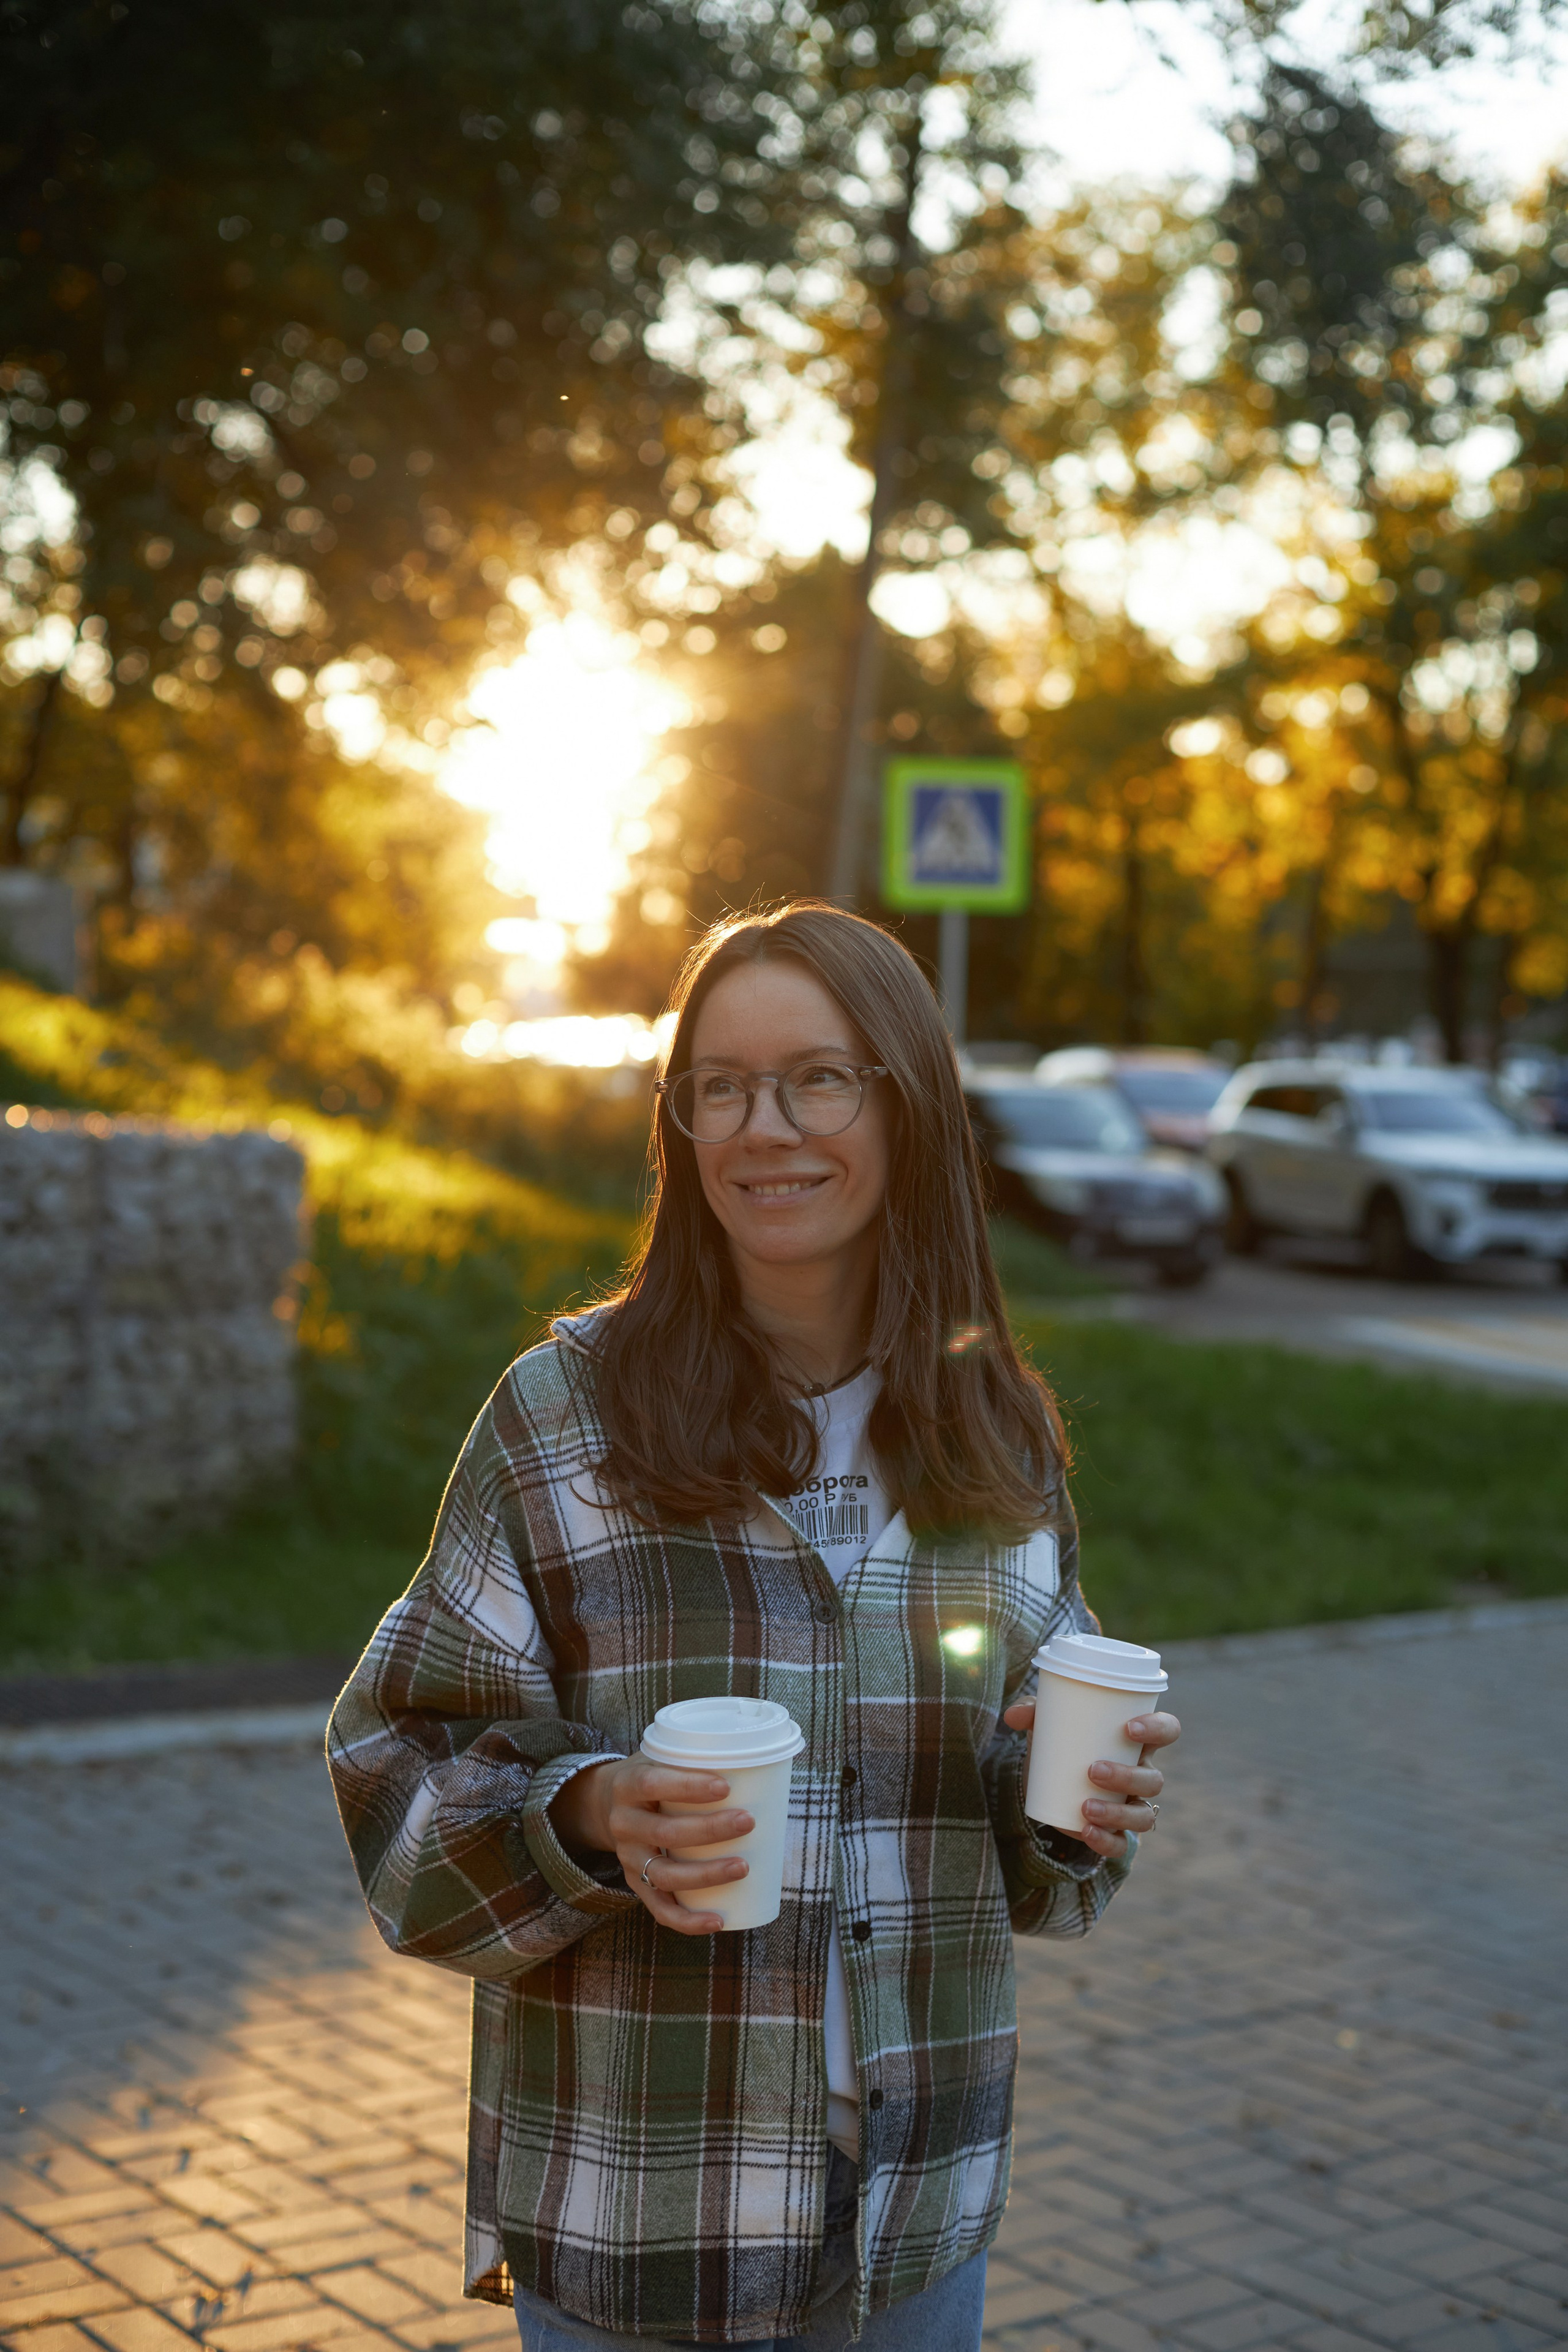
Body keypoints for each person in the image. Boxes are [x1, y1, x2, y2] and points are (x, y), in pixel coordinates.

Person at [328, 902, 1179, 2351]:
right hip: (642, 2207)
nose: (761, 1125)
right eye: (717, 1086)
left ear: (905, 1104)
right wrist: (588, 1813)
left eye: (816, 1078)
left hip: (916, 2214)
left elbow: (1039, 1855)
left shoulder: (998, 1435)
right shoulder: (562, 1420)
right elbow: (394, 1770)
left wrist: (1071, 1809)